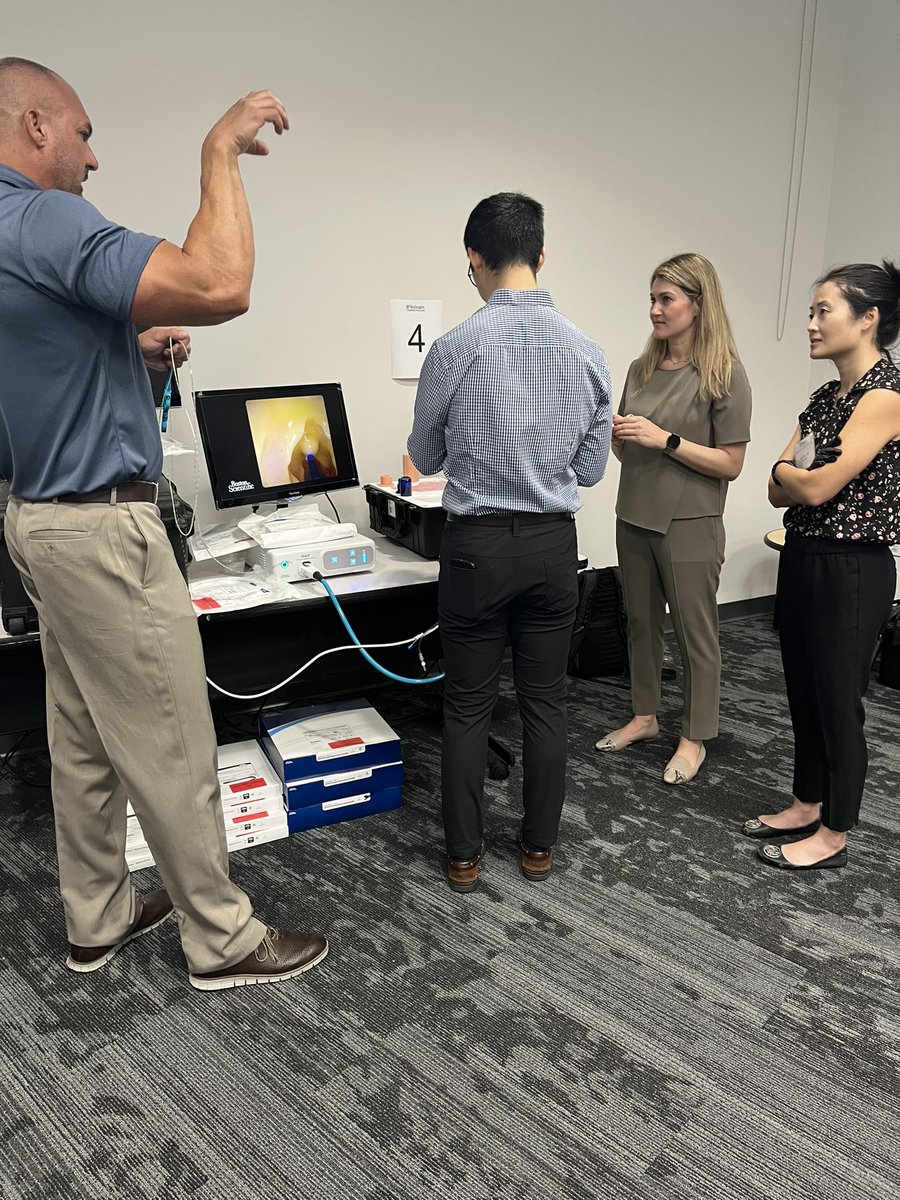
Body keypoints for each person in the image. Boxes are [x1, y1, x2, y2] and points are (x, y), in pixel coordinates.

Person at [0, 58, 327, 988]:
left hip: (36, 520)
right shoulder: (40, 216)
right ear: (34, 128)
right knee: (174, 738)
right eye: (84, 133)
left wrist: (125, 345)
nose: (93, 158)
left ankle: (95, 917)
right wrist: (218, 150)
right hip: (101, 531)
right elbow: (221, 283)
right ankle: (222, 941)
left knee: (82, 733)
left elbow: (35, 368)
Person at [407, 192, 611, 892]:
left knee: (466, 704)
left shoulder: (455, 348)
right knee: (545, 702)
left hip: (476, 550)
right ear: (542, 255)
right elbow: (588, 468)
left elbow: (424, 457)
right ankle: (537, 849)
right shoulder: (588, 351)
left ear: (474, 258)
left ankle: (463, 857)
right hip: (556, 546)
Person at [743, 260, 900, 870]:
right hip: (804, 556)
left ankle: (834, 832)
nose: (810, 324)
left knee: (838, 699)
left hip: (852, 568)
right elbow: (779, 485)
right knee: (804, 692)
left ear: (868, 320)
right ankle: (806, 801)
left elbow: (813, 487)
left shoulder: (883, 397)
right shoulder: (825, 397)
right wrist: (794, 477)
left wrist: (797, 478)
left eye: (822, 311)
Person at [597, 253, 751, 783]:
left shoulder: (724, 373)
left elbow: (730, 463)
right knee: (639, 623)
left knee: (693, 631)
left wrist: (664, 439)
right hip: (634, 511)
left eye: (666, 299)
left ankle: (694, 737)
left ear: (698, 304)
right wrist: (623, 440)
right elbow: (628, 449)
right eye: (652, 299)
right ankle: (644, 716)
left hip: (690, 520)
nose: (655, 311)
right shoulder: (641, 368)